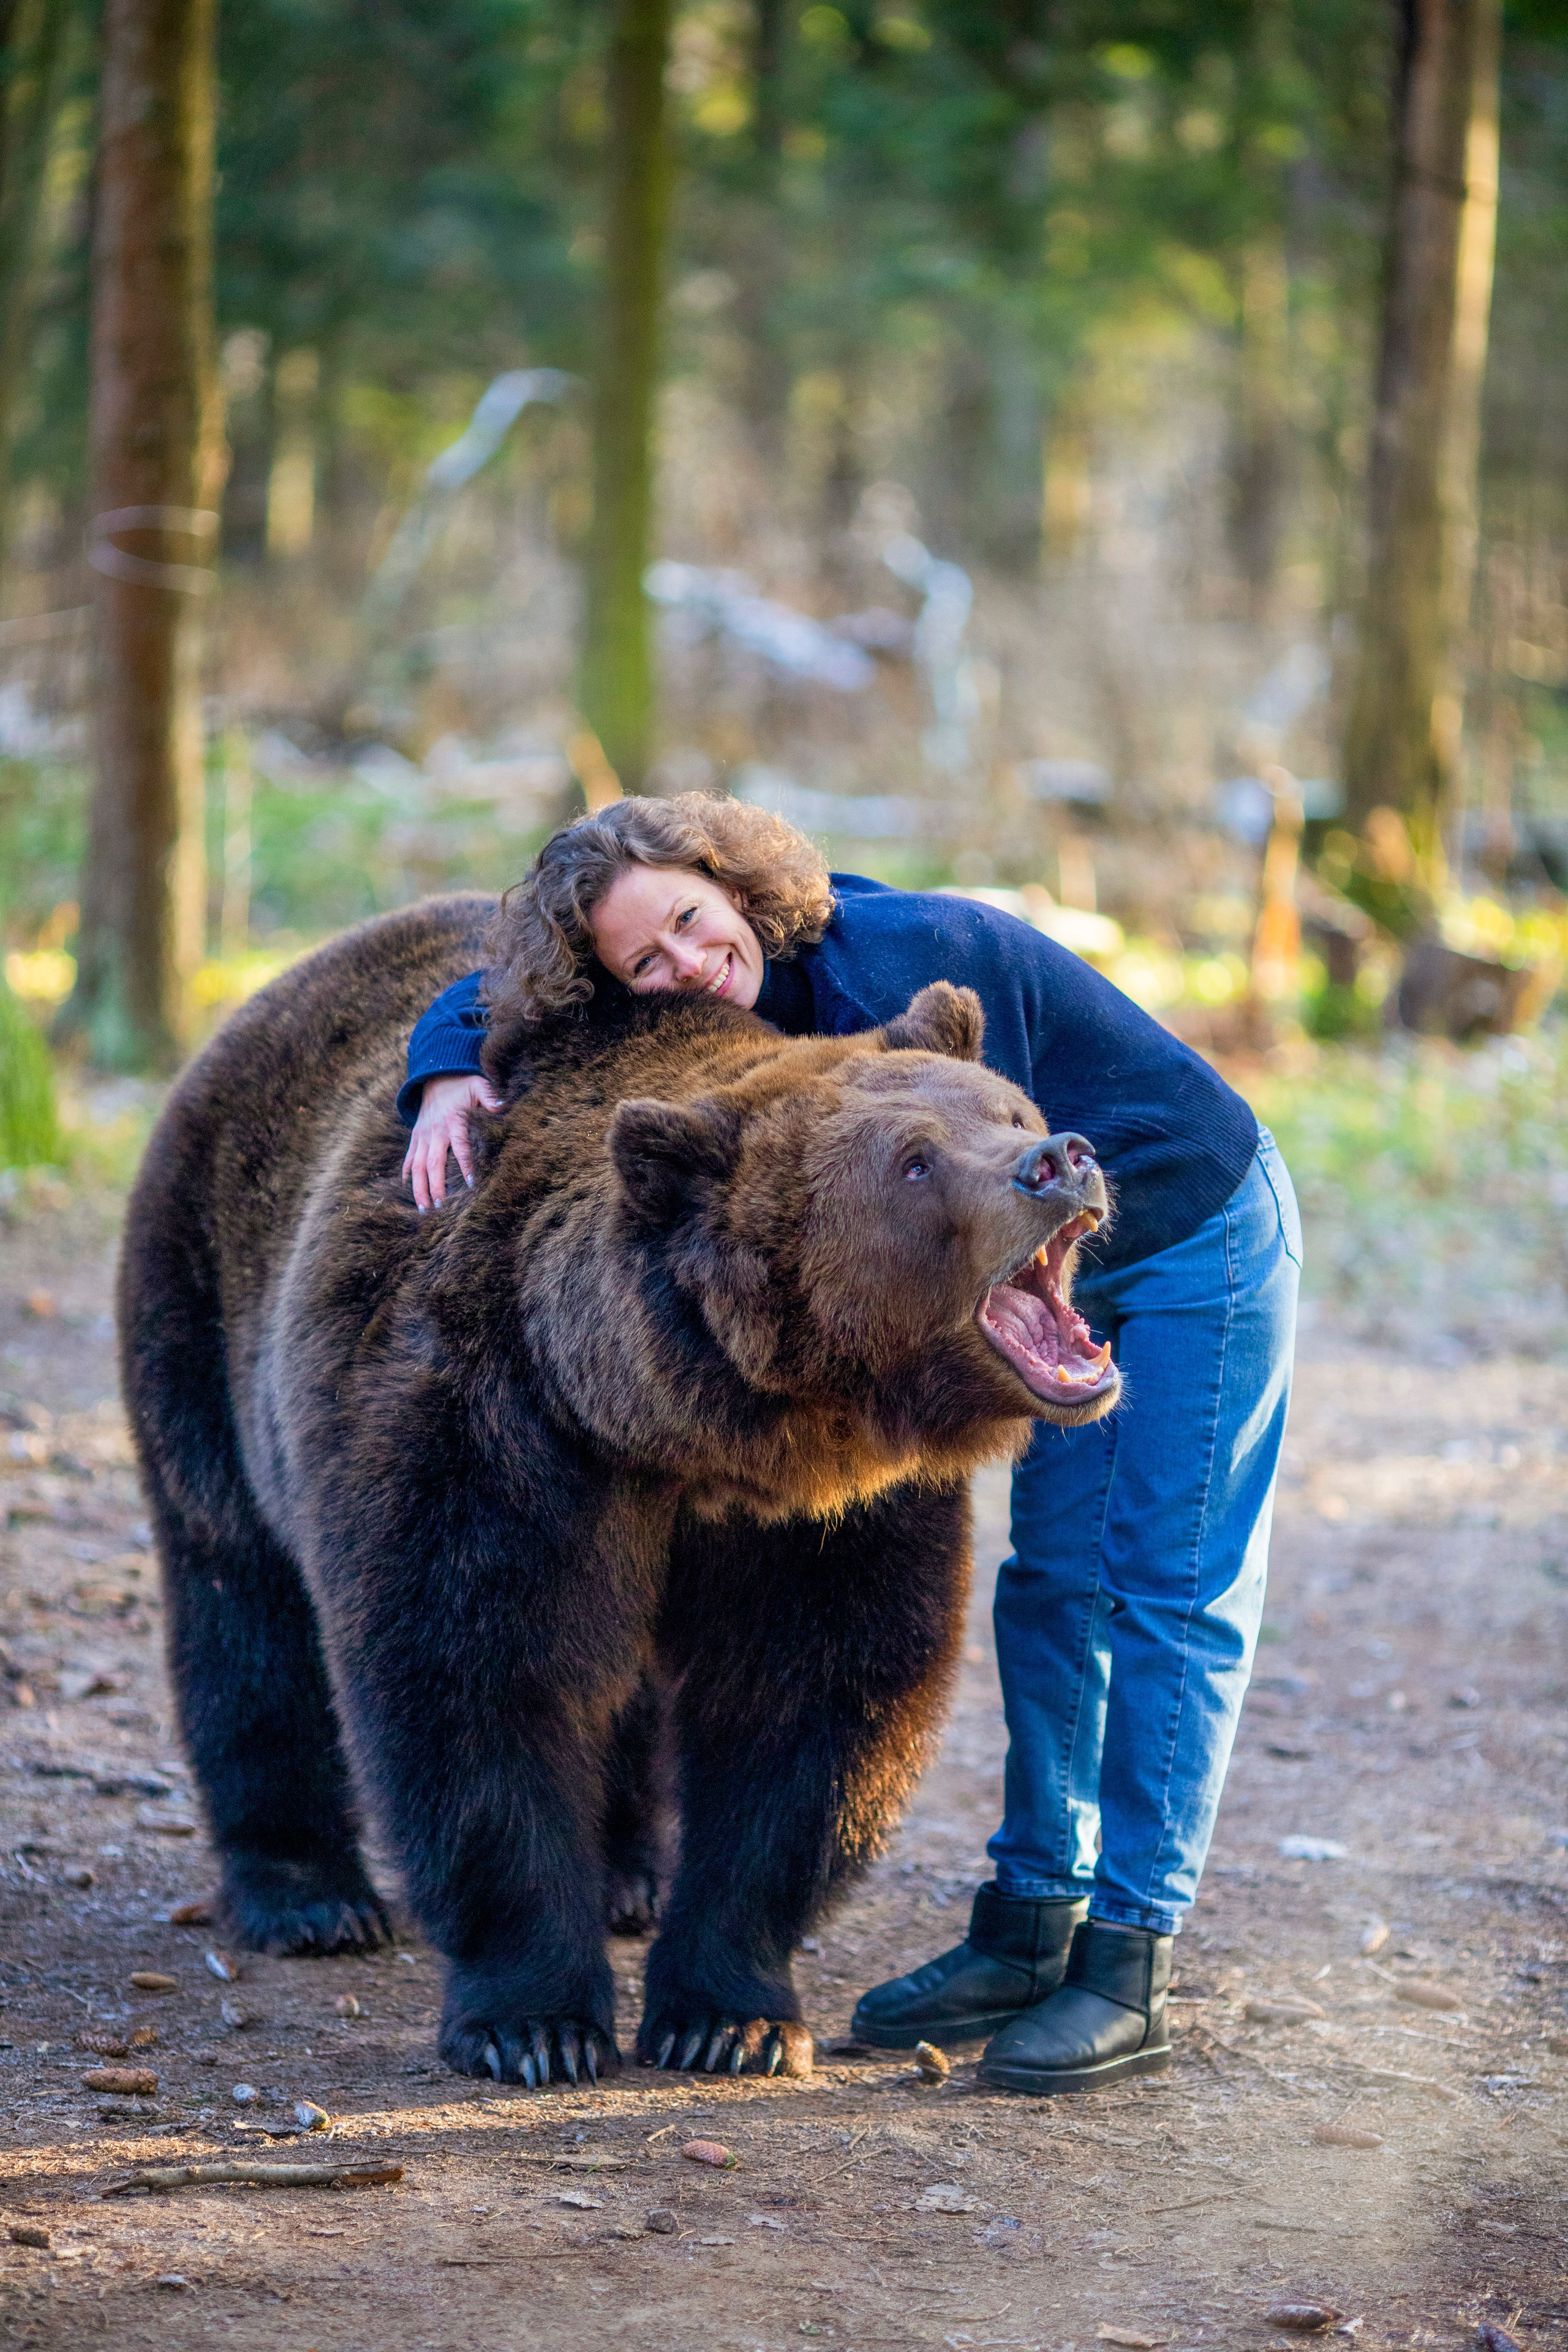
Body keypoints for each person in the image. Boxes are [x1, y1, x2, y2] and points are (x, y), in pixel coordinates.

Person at [398, 793, 1300, 2095]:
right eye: (644, 966)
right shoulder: (758, 989)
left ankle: (1127, 1963)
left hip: (1178, 1229)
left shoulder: (904, 961)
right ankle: (1030, 1922)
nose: (689, 973)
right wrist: (443, 1064)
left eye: (694, 928)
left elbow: (956, 1132)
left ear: (733, 887)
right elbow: (514, 1004)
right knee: (1050, 1590)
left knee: (1160, 1593)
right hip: (1015, 1259)